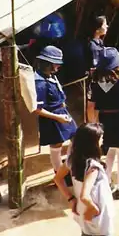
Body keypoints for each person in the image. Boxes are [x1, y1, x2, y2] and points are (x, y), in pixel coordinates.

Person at [55, 123, 114, 236]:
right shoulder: (93, 167)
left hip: (82, 209)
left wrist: (71, 199)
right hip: (96, 211)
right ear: (92, 143)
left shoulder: (72, 160)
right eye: (100, 138)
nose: (102, 141)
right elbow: (85, 195)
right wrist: (93, 209)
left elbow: (57, 179)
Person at [87, 48, 119, 199]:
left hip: (104, 120)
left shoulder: (95, 83)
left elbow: (90, 106)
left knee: (110, 151)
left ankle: (106, 183)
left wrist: (93, 125)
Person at [33, 46, 77, 176]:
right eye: (56, 63)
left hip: (62, 113)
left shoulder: (50, 76)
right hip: (52, 118)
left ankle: (69, 165)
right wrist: (58, 118)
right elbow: (37, 109)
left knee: (76, 138)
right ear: (48, 64)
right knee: (56, 146)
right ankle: (59, 173)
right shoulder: (39, 83)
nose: (58, 66)